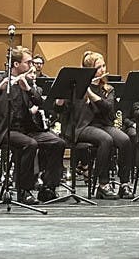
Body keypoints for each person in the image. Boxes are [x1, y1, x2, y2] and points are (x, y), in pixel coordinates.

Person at [0, 46, 66, 204]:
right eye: (28, 62)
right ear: (16, 64)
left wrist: (29, 89)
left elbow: (41, 103)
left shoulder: (27, 81)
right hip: (4, 130)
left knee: (58, 142)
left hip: (26, 129)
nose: (32, 65)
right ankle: (24, 190)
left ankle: (48, 188)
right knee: (30, 144)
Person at [57, 52, 134, 199]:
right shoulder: (76, 88)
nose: (103, 69)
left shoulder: (108, 89)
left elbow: (108, 109)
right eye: (98, 67)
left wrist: (90, 94)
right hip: (82, 127)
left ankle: (124, 184)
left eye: (103, 65)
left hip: (103, 125)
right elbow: (60, 110)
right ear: (89, 70)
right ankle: (103, 185)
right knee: (106, 140)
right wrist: (61, 99)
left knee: (125, 140)